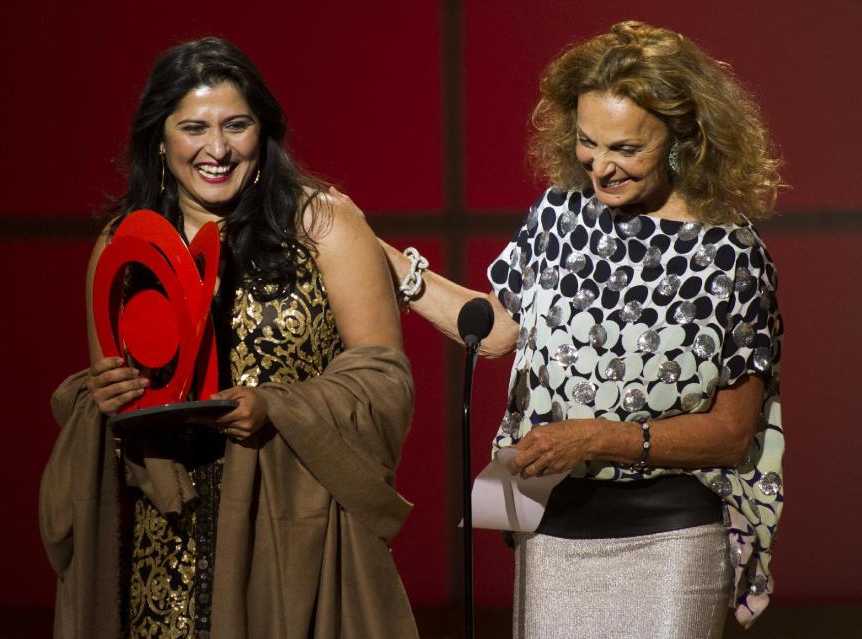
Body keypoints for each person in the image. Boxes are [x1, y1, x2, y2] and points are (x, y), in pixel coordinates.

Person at [381, 21, 783, 639]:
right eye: (588, 143)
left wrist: (595, 438)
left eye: (626, 149)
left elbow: (731, 435)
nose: (600, 167)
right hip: (556, 530)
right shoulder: (561, 215)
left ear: (684, 141)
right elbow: (495, 330)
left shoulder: (729, 254)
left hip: (670, 537)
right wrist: (383, 262)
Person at [39, 37, 420, 639]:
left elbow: (384, 382)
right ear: (159, 141)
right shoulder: (125, 247)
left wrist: (277, 407)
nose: (217, 148)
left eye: (236, 125)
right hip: (160, 546)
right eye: (193, 127)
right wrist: (102, 398)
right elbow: (114, 410)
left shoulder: (320, 222)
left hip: (292, 539)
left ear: (261, 134)